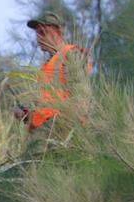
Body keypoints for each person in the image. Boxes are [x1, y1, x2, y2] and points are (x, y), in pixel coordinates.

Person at [14, 11, 90, 152]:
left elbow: (81, 97)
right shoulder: (46, 65)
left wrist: (73, 132)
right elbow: (47, 102)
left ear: (58, 31)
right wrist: (27, 114)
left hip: (59, 129)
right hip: (42, 132)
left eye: (43, 32)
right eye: (37, 34)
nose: (39, 38)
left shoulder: (71, 54)